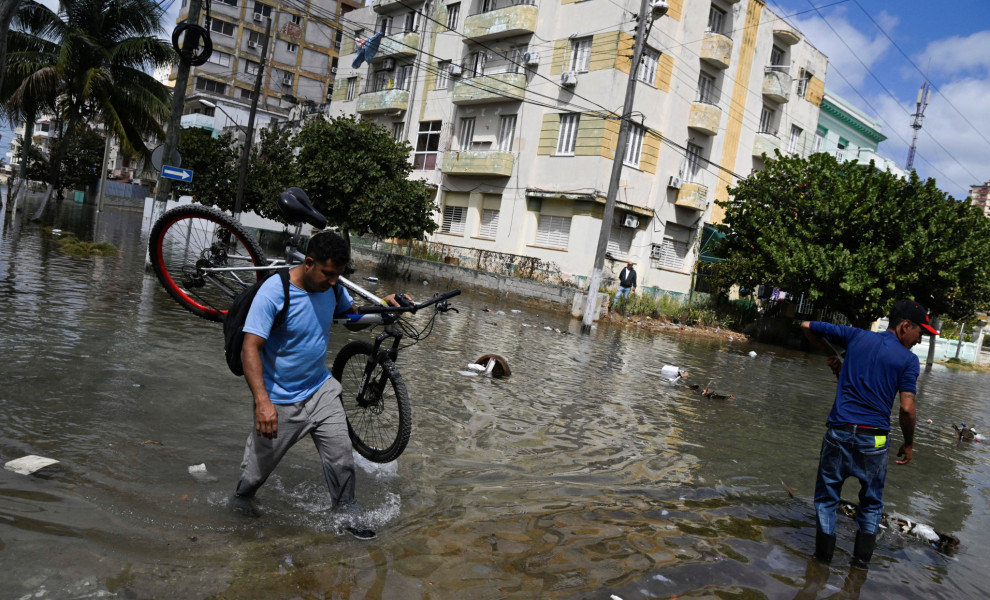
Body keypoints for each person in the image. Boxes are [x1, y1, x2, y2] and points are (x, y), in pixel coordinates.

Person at [233, 231, 402, 540]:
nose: (334, 281)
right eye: (328, 273)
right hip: (279, 401)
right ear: (309, 263)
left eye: (339, 275)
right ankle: (239, 515)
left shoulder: (331, 289)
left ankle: (347, 517)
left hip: (320, 390)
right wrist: (262, 402)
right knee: (251, 481)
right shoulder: (275, 291)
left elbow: (351, 317)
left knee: (341, 459)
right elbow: (250, 348)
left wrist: (385, 307)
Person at [801, 299, 936, 568]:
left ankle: (821, 562)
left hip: (838, 433)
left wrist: (836, 355)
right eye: (920, 332)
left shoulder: (855, 336)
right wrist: (909, 444)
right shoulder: (908, 361)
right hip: (874, 440)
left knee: (827, 500)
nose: (920, 340)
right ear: (905, 326)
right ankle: (860, 567)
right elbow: (907, 410)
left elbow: (806, 326)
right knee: (872, 504)